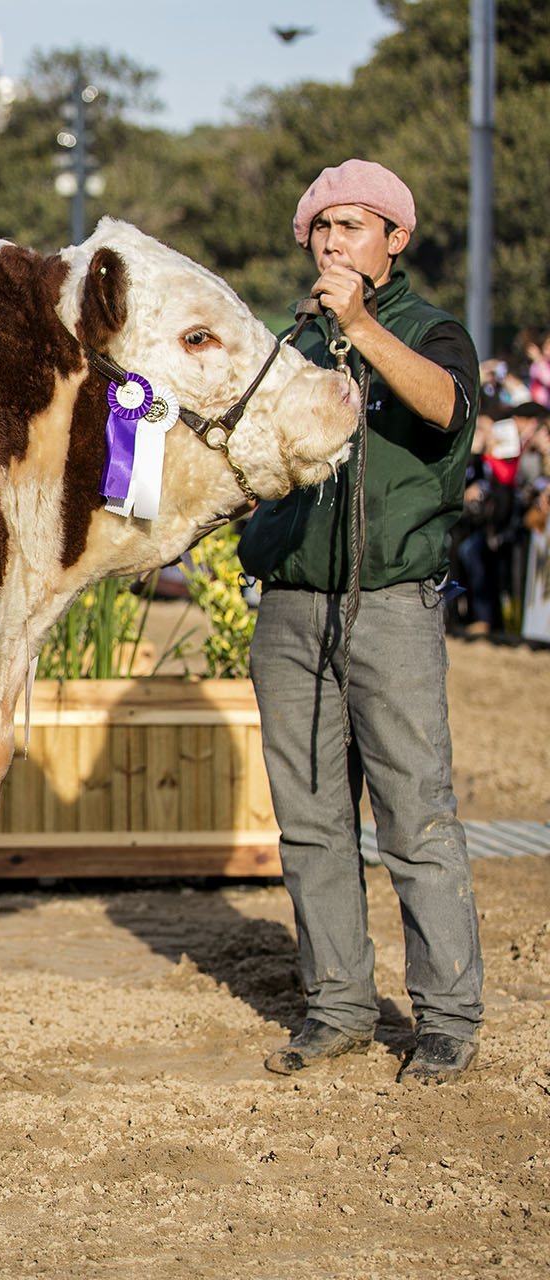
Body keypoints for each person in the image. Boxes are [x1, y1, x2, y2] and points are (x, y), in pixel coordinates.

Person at [240, 159, 483, 1085]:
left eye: (354, 225)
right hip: (292, 610)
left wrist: (363, 329)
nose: (335, 240)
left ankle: (449, 1016)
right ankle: (336, 1005)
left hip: (391, 611)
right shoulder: (286, 345)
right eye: (322, 227)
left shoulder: (431, 332)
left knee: (416, 821)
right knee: (308, 825)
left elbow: (449, 411)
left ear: (395, 241)